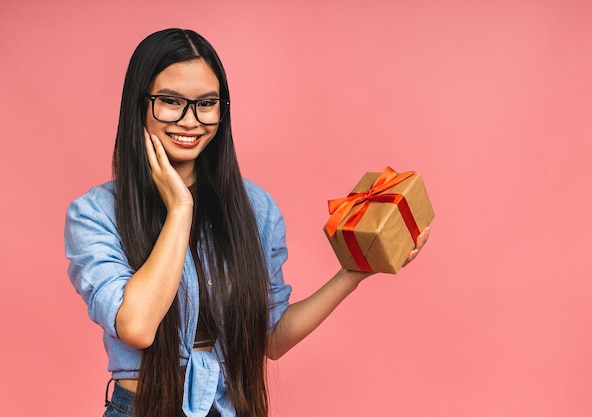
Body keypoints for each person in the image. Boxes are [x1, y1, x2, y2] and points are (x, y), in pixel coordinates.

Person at [64, 28, 430, 417]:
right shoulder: (95, 213)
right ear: (139, 104)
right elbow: (137, 326)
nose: (190, 121)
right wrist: (179, 211)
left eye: (206, 103)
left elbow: (271, 338)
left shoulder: (255, 207)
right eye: (170, 101)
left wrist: (353, 273)